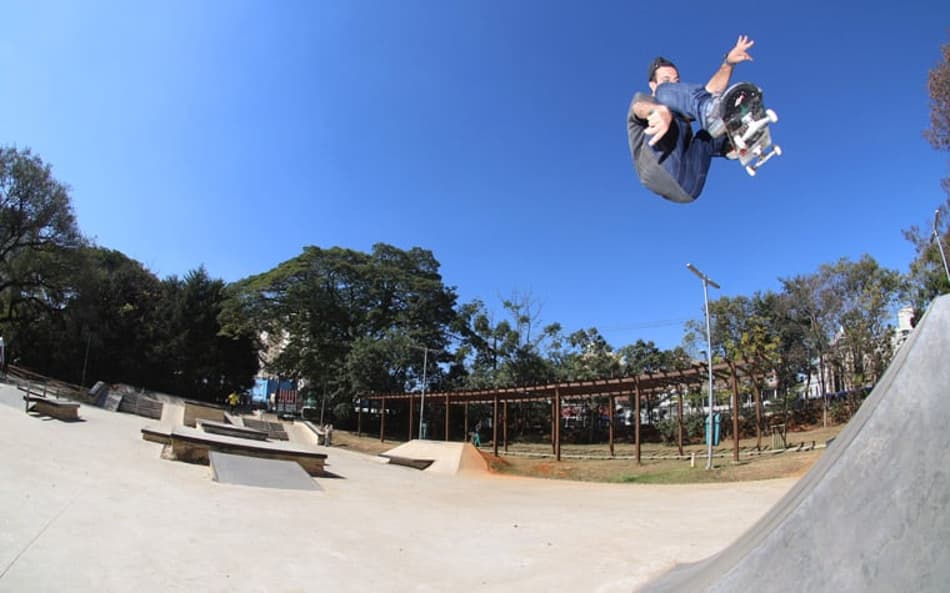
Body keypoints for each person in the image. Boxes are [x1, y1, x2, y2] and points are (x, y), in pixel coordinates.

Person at [627, 35, 755, 203]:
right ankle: (708, 110)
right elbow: (638, 109)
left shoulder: (681, 113)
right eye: (666, 79)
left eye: (676, 81)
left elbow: (709, 91)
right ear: (652, 84)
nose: (673, 84)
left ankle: (734, 144)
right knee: (664, 92)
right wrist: (657, 111)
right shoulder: (646, 99)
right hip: (658, 165)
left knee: (705, 136)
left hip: (689, 188)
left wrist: (728, 64)